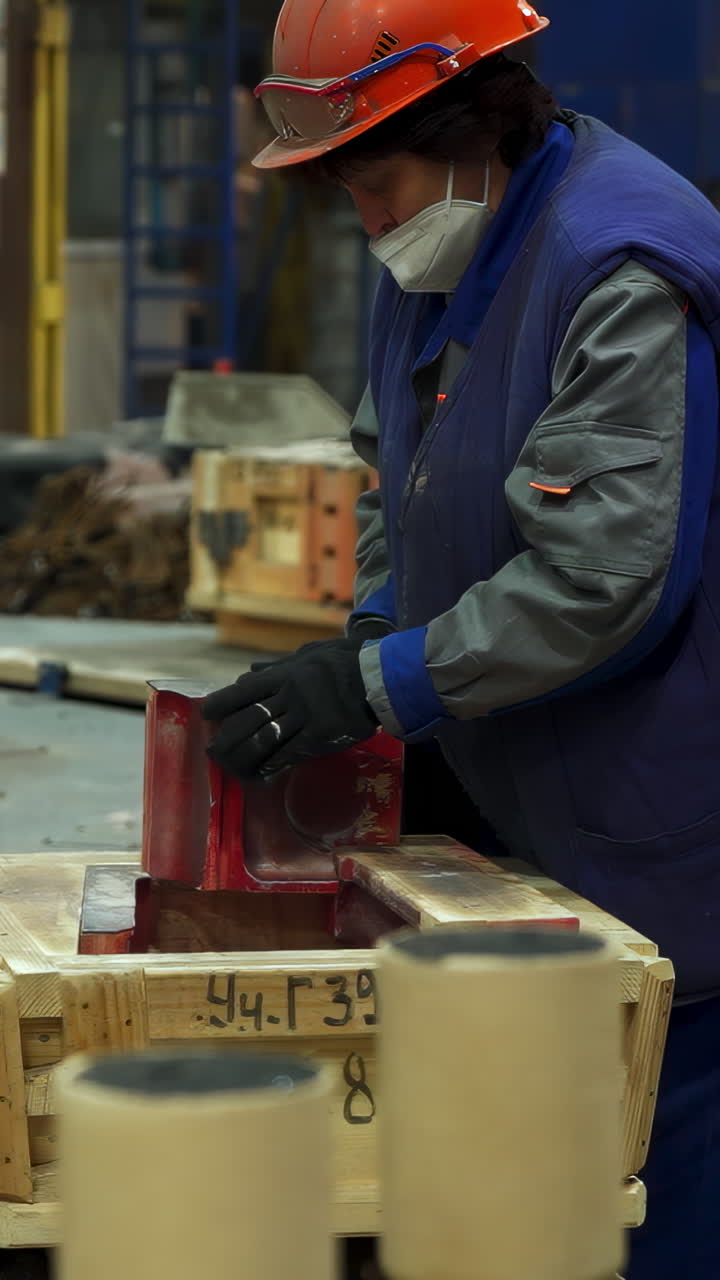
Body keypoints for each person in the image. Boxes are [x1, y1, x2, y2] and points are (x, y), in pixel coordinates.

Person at [202, 2, 720, 1275]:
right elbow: (402, 479)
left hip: (651, 859)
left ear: (473, 122)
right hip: (514, 826)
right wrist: (372, 637)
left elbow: (602, 579)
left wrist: (380, 683)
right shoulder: (438, 251)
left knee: (639, 1209)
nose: (371, 225)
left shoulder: (623, 265)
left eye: (376, 185)